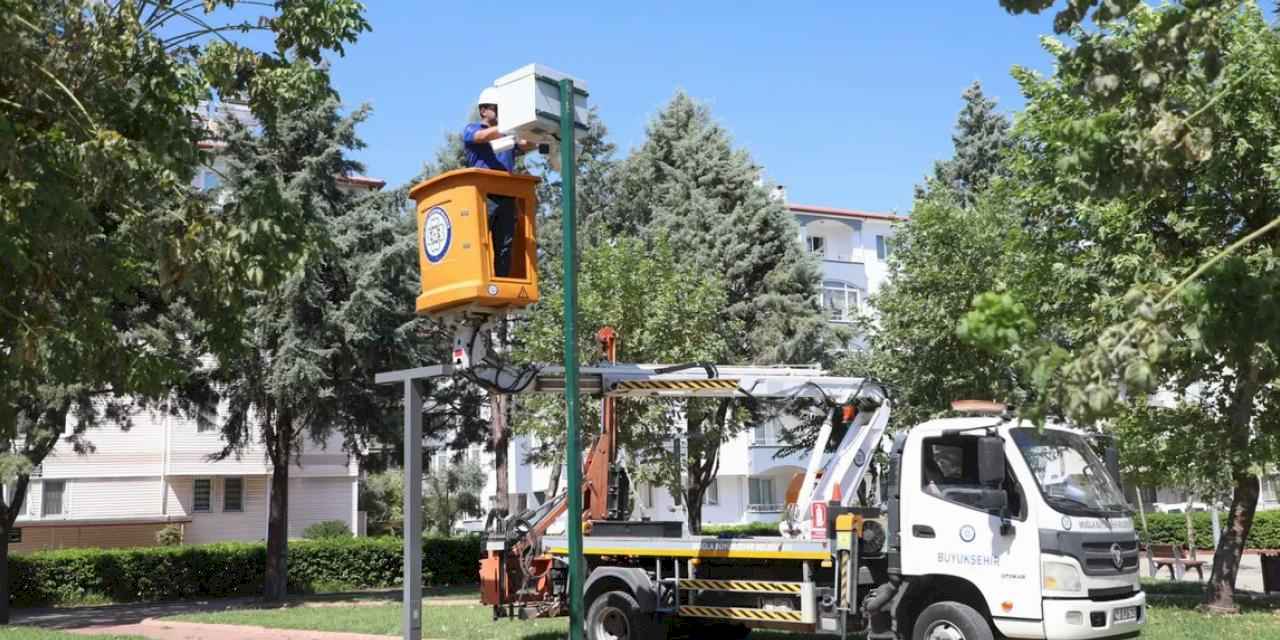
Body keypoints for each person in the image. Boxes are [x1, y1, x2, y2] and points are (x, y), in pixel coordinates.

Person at [463, 88, 537, 278]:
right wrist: (509, 127)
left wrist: (541, 134)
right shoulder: (473, 129)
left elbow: (526, 143)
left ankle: (501, 282)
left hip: (506, 195)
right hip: (484, 196)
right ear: (483, 111)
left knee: (505, 245)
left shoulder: (508, 135)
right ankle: (478, 280)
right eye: (496, 108)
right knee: (479, 242)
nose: (500, 113)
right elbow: (483, 137)